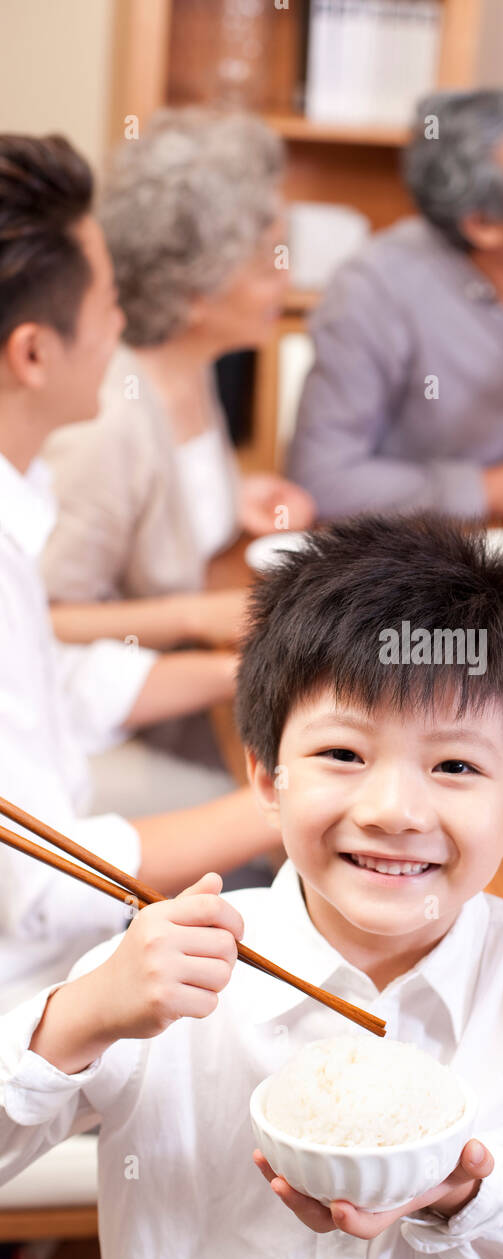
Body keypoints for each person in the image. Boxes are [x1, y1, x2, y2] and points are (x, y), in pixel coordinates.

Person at [0, 515, 503, 1259]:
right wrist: (80, 1018)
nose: (393, 811)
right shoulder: (161, 965)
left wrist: (463, 1190)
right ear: (269, 779)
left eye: (452, 764)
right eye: (344, 753)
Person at [0, 132, 282, 1014]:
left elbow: (54, 691)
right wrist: (302, 800)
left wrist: (234, 669)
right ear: (35, 354)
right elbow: (45, 883)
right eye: (112, 302)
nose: (124, 326)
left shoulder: (23, 492)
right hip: (34, 1012)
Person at [40, 108, 315, 652]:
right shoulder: (107, 422)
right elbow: (45, 620)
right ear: (194, 293)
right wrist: (195, 616)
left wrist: (232, 496)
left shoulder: (192, 366)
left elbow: (158, 501)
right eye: (267, 266)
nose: (288, 280)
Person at [287, 89, 503, 525]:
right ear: (483, 225)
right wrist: (484, 490)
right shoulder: (374, 289)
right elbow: (321, 481)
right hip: (415, 564)